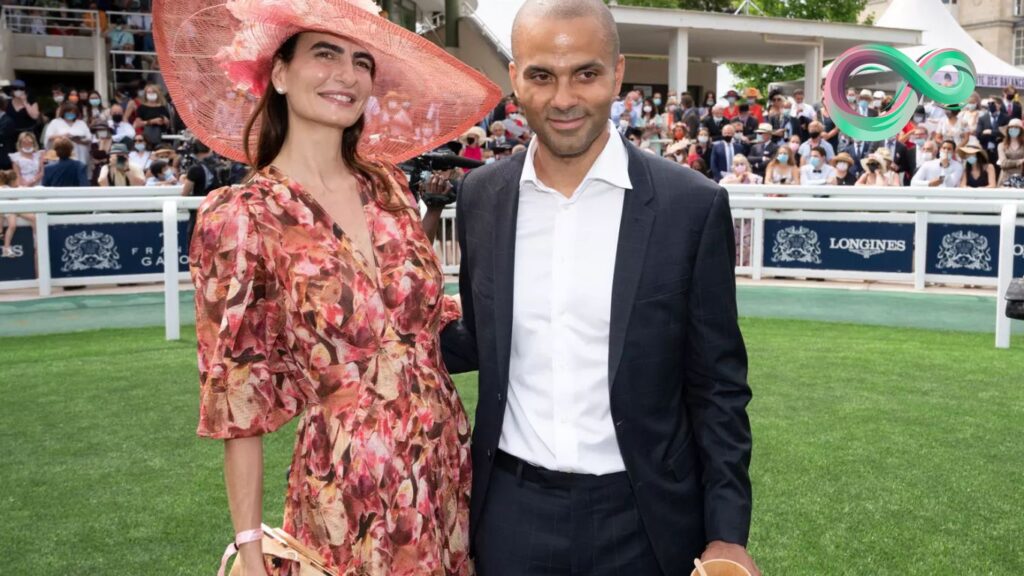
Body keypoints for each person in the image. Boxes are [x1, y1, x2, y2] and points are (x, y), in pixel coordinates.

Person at [155, 0, 501, 573]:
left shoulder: (388, 190)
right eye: (326, 53)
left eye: (361, 61)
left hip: (445, 464)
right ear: (280, 74)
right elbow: (236, 393)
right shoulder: (242, 216)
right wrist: (248, 545)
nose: (347, 74)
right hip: (346, 485)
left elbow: (410, 318)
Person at [441, 2, 757, 575]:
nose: (563, 98)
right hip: (509, 513)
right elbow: (483, 333)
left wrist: (728, 533)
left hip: (645, 519)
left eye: (585, 74)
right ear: (515, 79)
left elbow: (717, 386)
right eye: (542, 75)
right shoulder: (481, 198)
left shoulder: (691, 205)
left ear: (617, 73)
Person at [998, 118, 1024, 185]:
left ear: (1020, 130)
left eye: (1016, 128)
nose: (1013, 130)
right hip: (1005, 179)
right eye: (1011, 128)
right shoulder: (1001, 145)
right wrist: (1020, 161)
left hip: (1021, 178)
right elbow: (1003, 163)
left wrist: (1010, 163)